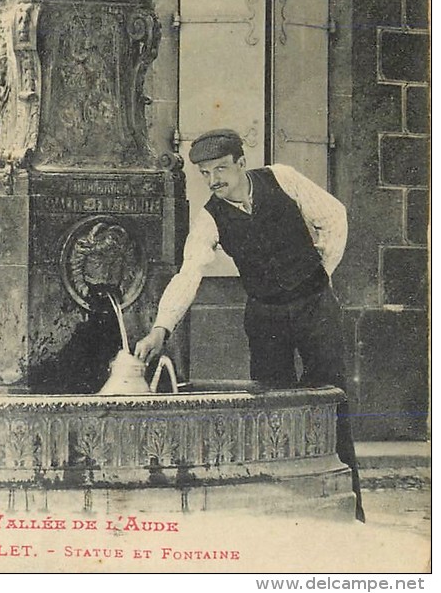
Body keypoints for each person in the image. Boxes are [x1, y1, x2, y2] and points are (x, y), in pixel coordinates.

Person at [135, 128, 365, 522]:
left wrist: (321, 274)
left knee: (332, 403)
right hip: (265, 316)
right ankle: (286, 510)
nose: (214, 180)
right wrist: (161, 328)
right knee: (272, 408)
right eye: (205, 173)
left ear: (242, 163)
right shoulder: (209, 218)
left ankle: (349, 509)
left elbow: (334, 216)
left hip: (316, 309)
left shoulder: (283, 178)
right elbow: (189, 273)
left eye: (221, 169)